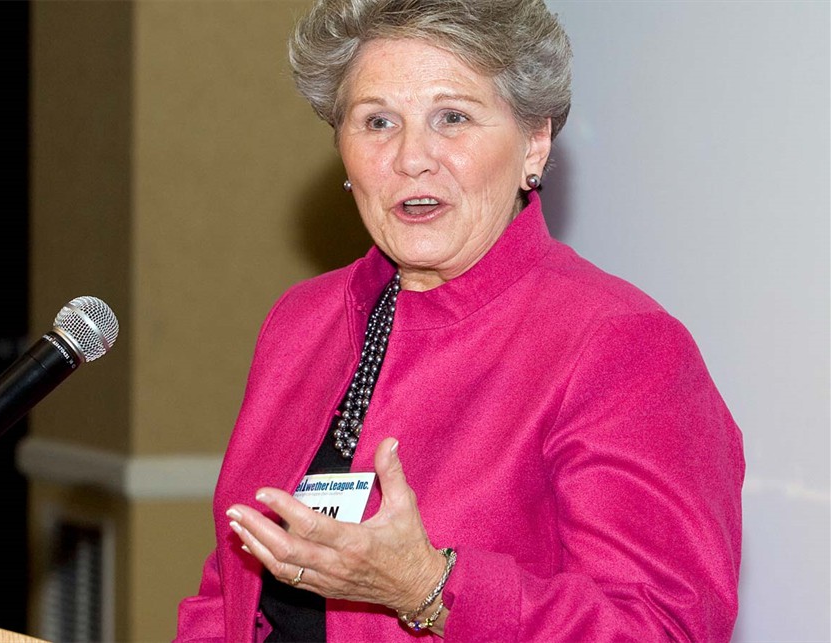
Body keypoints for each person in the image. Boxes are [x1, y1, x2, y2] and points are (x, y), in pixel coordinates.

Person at [176, 0, 744, 640]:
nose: (411, 157)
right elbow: (228, 590)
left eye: (452, 117)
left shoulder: (622, 346)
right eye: (377, 121)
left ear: (534, 143)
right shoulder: (302, 322)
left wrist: (429, 586)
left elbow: (662, 630)